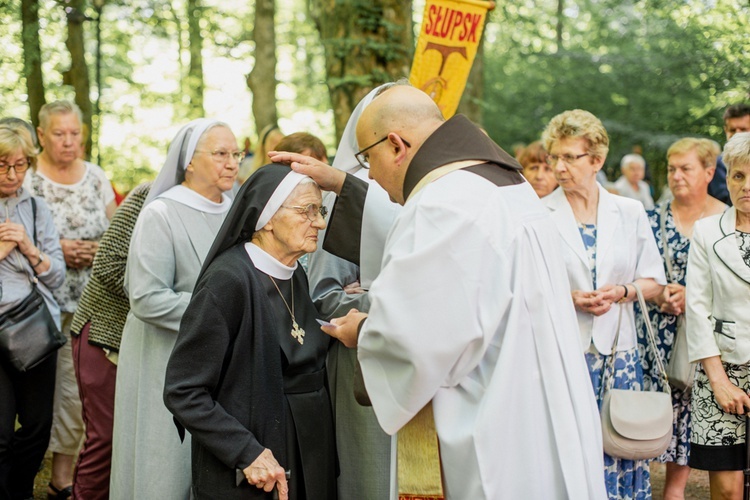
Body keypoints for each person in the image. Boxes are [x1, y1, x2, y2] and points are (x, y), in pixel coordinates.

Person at [271, 85, 606, 499]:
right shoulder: (506, 184)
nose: (371, 176)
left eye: (368, 160)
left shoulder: (441, 203)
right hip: (540, 408)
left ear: (395, 144)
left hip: (492, 429)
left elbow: (415, 344)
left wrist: (365, 331)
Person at [164, 164, 336, 500]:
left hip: (309, 449)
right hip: (255, 459)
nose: (319, 222)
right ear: (268, 217)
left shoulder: (293, 272)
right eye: (307, 211)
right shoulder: (228, 281)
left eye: (320, 210)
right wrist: (246, 452)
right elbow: (184, 390)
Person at [541, 109, 666, 499]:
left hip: (618, 355)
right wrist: (568, 299)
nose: (559, 167)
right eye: (554, 157)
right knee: (566, 454)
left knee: (620, 445)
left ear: (596, 160)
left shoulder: (628, 212)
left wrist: (622, 292)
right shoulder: (538, 214)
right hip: (563, 354)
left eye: (569, 157)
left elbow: (654, 281)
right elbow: (523, 286)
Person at [110, 119, 238, 499]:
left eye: (236, 154)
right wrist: (219, 313)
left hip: (221, 360)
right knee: (164, 464)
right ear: (189, 162)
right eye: (220, 154)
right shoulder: (162, 214)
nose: (232, 163)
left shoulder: (235, 211)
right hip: (166, 359)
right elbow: (147, 297)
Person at [306, 83, 400, 500]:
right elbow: (324, 293)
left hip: (413, 357)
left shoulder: (420, 188)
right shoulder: (351, 195)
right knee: (372, 475)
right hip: (360, 358)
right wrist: (377, 298)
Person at [23, 100, 116, 498]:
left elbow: (119, 232)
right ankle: (45, 471)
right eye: (59, 134)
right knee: (45, 392)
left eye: (75, 133)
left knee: (79, 388)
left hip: (92, 305)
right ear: (41, 135)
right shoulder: (26, 180)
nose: (68, 141)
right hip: (38, 304)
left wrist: (99, 250)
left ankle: (65, 476)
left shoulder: (96, 177)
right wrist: (60, 248)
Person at [635, 138, 726, 499]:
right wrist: (660, 294)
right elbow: (635, 270)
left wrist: (695, 298)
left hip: (701, 333)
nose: (676, 176)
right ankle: (640, 481)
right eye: (672, 169)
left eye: (685, 168)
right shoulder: (649, 218)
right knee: (649, 407)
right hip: (654, 331)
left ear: (707, 172)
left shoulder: (726, 219)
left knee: (688, 409)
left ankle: (675, 490)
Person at [68, 182, 151, 500]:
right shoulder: (147, 194)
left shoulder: (220, 205)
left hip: (150, 342)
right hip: (106, 333)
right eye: (218, 154)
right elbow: (108, 264)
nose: (228, 164)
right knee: (106, 437)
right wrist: (157, 296)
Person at [0, 124, 65, 500]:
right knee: (0, 433)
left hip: (34, 328)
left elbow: (56, 276)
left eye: (20, 165)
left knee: (38, 426)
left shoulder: (38, 208)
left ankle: (21, 490)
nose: (12, 175)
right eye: (4, 166)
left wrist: (27, 246)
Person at [686, 131, 750, 499]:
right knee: (726, 491)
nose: (745, 185)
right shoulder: (707, 232)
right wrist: (720, 382)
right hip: (720, 372)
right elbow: (696, 308)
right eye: (738, 175)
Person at [709, 104, 750, 205]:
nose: (737, 134)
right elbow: (722, 200)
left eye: (743, 129)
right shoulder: (719, 165)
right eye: (732, 130)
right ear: (726, 130)